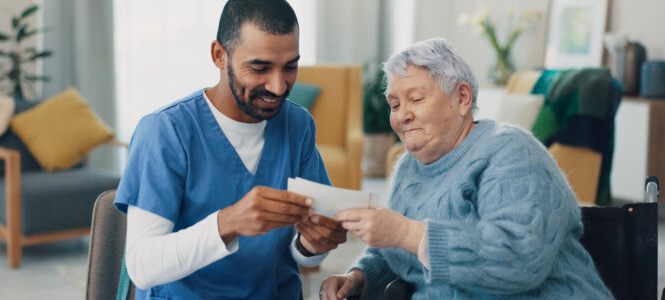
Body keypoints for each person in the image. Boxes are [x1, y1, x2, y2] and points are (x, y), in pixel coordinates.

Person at [320, 38, 613, 300]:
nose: (402, 116)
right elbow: (394, 248)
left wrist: (407, 232)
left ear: (462, 98)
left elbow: (521, 260)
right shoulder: (408, 167)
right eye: (394, 105)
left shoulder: (510, 151)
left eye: (416, 99)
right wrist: (358, 278)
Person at [114, 1, 347, 298]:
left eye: (290, 67)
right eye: (259, 68)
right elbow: (142, 266)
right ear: (219, 55)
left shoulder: (298, 125)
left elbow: (302, 254)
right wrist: (230, 222)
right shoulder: (166, 131)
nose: (278, 86)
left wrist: (312, 244)